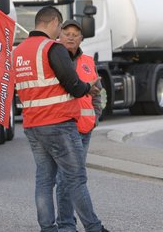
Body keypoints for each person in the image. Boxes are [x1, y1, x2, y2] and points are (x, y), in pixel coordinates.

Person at [12, 7, 108, 232]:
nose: (61, 33)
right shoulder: (52, 49)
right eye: (60, 27)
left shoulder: (18, 52)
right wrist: (88, 88)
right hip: (58, 123)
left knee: (44, 180)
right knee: (76, 178)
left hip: (32, 125)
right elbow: (73, 85)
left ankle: (48, 228)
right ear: (54, 21)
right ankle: (94, 228)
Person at [56, 20, 104, 231]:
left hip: (85, 128)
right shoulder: (55, 59)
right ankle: (67, 224)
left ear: (81, 39)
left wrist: (95, 118)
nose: (71, 37)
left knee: (72, 177)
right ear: (59, 35)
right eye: (67, 33)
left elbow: (97, 91)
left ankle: (67, 223)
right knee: (67, 177)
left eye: (75, 34)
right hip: (66, 127)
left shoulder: (87, 61)